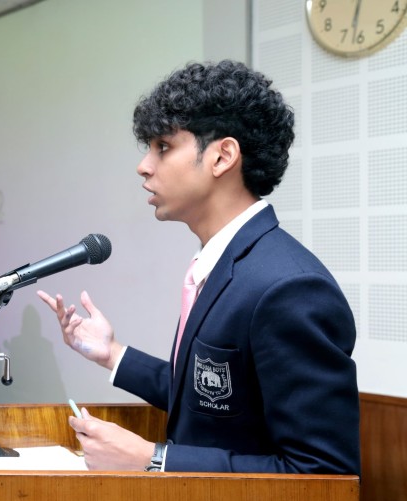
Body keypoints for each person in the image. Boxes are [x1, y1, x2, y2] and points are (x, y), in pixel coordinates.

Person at [37, 60, 360, 475]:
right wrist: (113, 354)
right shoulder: (223, 262)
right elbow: (212, 398)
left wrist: (153, 459)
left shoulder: (289, 287)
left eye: (163, 147)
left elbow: (323, 473)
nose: (144, 165)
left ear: (222, 156)